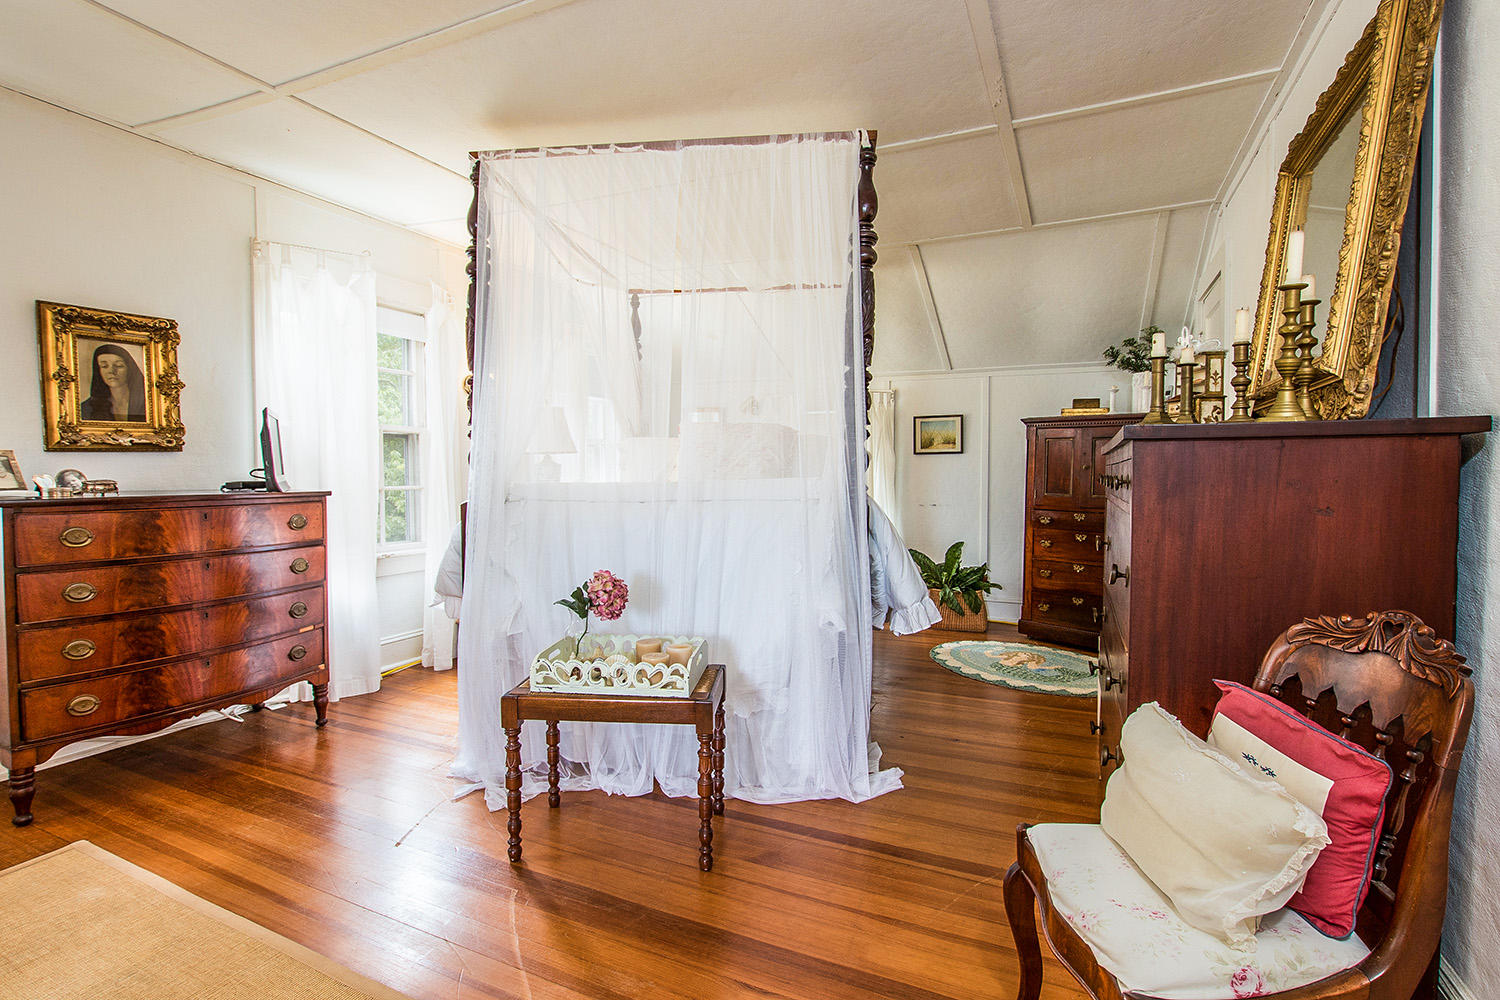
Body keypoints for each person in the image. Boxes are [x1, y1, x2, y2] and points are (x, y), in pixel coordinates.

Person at [80, 343, 147, 422]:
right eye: (104, 366)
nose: (111, 371)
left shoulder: (147, 403)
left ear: (130, 369)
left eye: (119, 365)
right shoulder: (87, 408)